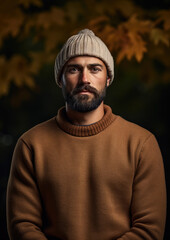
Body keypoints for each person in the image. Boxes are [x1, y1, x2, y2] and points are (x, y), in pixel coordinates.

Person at [7, 29, 166, 240]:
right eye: (74, 69)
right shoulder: (31, 144)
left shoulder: (141, 143)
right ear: (60, 80)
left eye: (95, 69)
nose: (85, 79)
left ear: (108, 78)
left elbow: (149, 229)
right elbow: (22, 225)